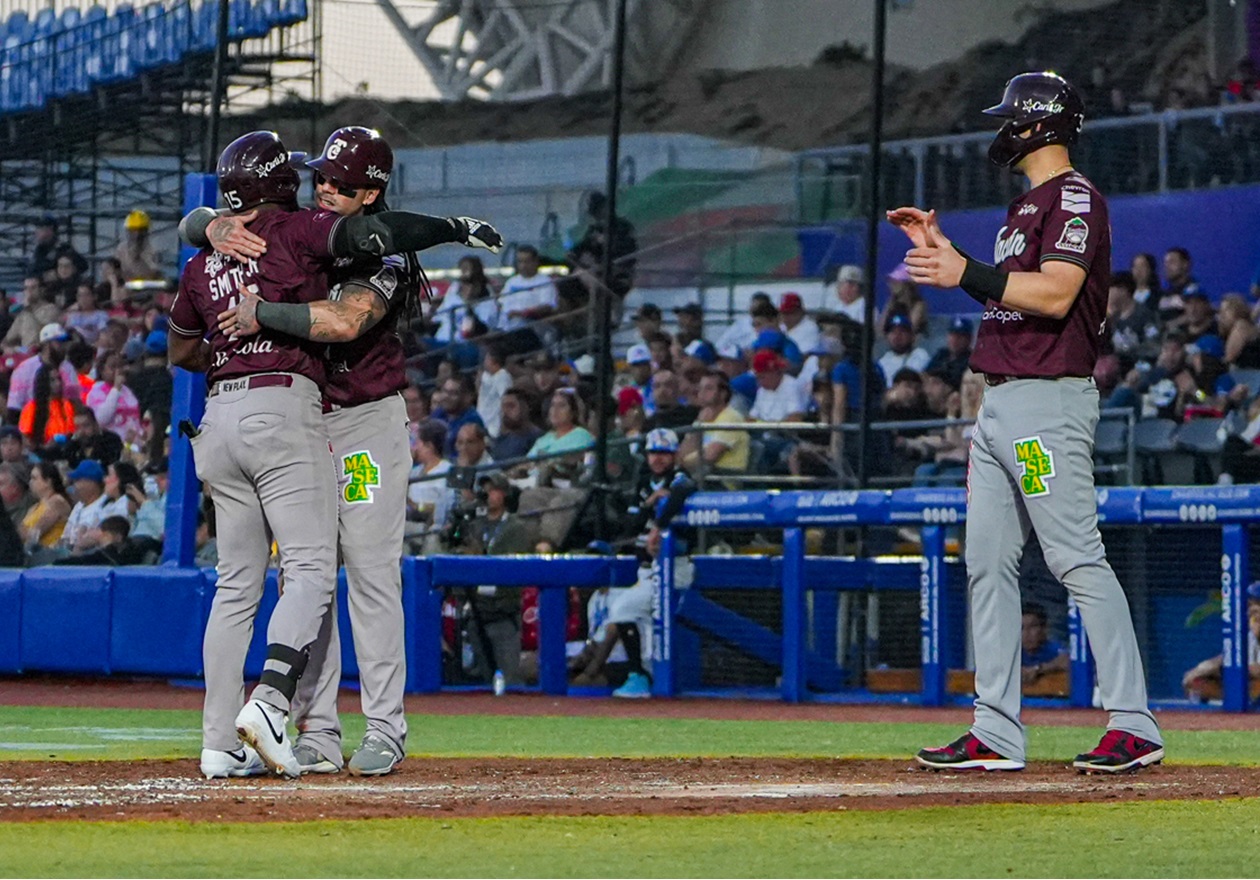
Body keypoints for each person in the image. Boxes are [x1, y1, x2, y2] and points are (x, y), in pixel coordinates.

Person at [173, 130, 500, 781]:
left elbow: (346, 322)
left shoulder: (387, 250)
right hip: (302, 422)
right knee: (303, 579)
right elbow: (203, 224)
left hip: (363, 429)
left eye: (341, 183)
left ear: (372, 194)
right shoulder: (302, 230)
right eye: (320, 176)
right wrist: (210, 225)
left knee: (370, 573)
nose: (325, 187)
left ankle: (385, 726)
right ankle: (316, 729)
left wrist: (262, 312)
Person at [890, 71, 1163, 773]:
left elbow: (1055, 292)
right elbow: (1010, 298)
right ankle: (996, 729)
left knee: (1073, 555)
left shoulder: (1074, 197)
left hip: (1044, 409)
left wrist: (964, 271)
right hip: (1001, 406)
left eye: (1011, 117)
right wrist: (947, 255)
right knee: (985, 563)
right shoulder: (1024, 209)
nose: (1001, 129)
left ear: (1037, 123)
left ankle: (1134, 722)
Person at [460, 472, 534, 684]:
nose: (487, 494)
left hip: (503, 609)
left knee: (509, 677)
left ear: (504, 494)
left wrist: (479, 555)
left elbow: (510, 566)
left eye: (493, 489)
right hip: (477, 608)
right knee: (484, 677)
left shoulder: (515, 527)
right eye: (485, 490)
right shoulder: (474, 525)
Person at [1181, 583, 1260, 699]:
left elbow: (1257, 671)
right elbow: (1225, 658)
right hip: (1248, 689)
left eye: (1257, 605)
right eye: (1251, 604)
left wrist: (1227, 667)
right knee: (1197, 682)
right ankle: (1228, 713)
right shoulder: (1248, 637)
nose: (1253, 612)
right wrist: (1200, 669)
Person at [680, 370, 749, 475]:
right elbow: (681, 455)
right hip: (700, 475)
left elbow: (710, 455)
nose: (702, 393)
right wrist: (698, 425)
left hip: (723, 479)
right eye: (700, 388)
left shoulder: (731, 418)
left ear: (723, 394)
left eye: (708, 388)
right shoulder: (702, 418)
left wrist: (685, 461)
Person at [85, 352, 143, 445]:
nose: (118, 371)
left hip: (133, 443)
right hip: (112, 443)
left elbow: (135, 416)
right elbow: (102, 419)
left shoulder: (127, 391)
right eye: (113, 367)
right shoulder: (96, 392)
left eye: (120, 366)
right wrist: (116, 389)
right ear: (102, 370)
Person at [18, 367, 77, 448]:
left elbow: (73, 431)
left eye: (59, 379)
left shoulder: (67, 405)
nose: (58, 383)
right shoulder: (31, 407)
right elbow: (25, 438)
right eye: (52, 380)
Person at [59, 459, 109, 554]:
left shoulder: (104, 505)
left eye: (78, 481)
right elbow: (65, 536)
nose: (74, 486)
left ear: (91, 483)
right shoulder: (79, 505)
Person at [20, 461, 70, 554]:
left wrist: (22, 533)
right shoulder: (34, 507)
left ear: (48, 481)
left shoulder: (57, 502)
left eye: (34, 478)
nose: (30, 482)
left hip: (51, 553)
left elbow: (36, 532)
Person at [1020, 602, 1068, 685]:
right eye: (1022, 628)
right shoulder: (1013, 651)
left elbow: (1069, 661)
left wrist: (1038, 669)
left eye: (1033, 626)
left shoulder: (1052, 648)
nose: (1026, 633)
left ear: (1044, 629)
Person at [876, 313, 931, 386]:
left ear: (912, 335)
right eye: (893, 331)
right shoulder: (882, 361)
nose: (897, 335)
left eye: (902, 331)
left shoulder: (921, 355)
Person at [491, 387, 543, 461]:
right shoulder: (501, 440)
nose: (505, 411)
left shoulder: (537, 439)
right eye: (503, 407)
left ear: (525, 407)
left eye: (510, 406)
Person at [115, 209, 163, 281]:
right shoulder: (121, 249)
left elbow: (155, 273)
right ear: (128, 231)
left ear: (146, 232)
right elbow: (116, 271)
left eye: (140, 230)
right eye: (133, 230)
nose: (137, 234)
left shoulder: (154, 250)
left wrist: (140, 259)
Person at [476, 343, 512, 439]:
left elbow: (505, 399)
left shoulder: (502, 376)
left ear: (492, 359)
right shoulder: (486, 376)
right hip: (482, 424)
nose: (484, 361)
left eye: (486, 358)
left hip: (494, 429)